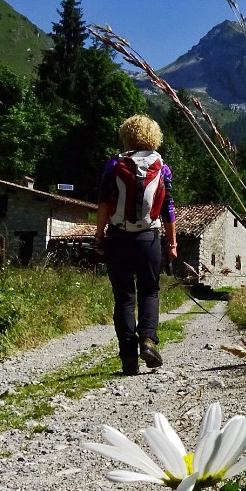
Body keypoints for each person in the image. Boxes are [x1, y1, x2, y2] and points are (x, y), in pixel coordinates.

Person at [94, 115, 178, 375]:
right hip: (148, 239)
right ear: (154, 136)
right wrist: (172, 242)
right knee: (149, 292)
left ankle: (128, 357)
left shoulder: (115, 163)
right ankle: (148, 341)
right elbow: (168, 208)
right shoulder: (161, 167)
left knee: (124, 298)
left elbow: (105, 204)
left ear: (126, 135)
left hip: (119, 237)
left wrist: (99, 236)